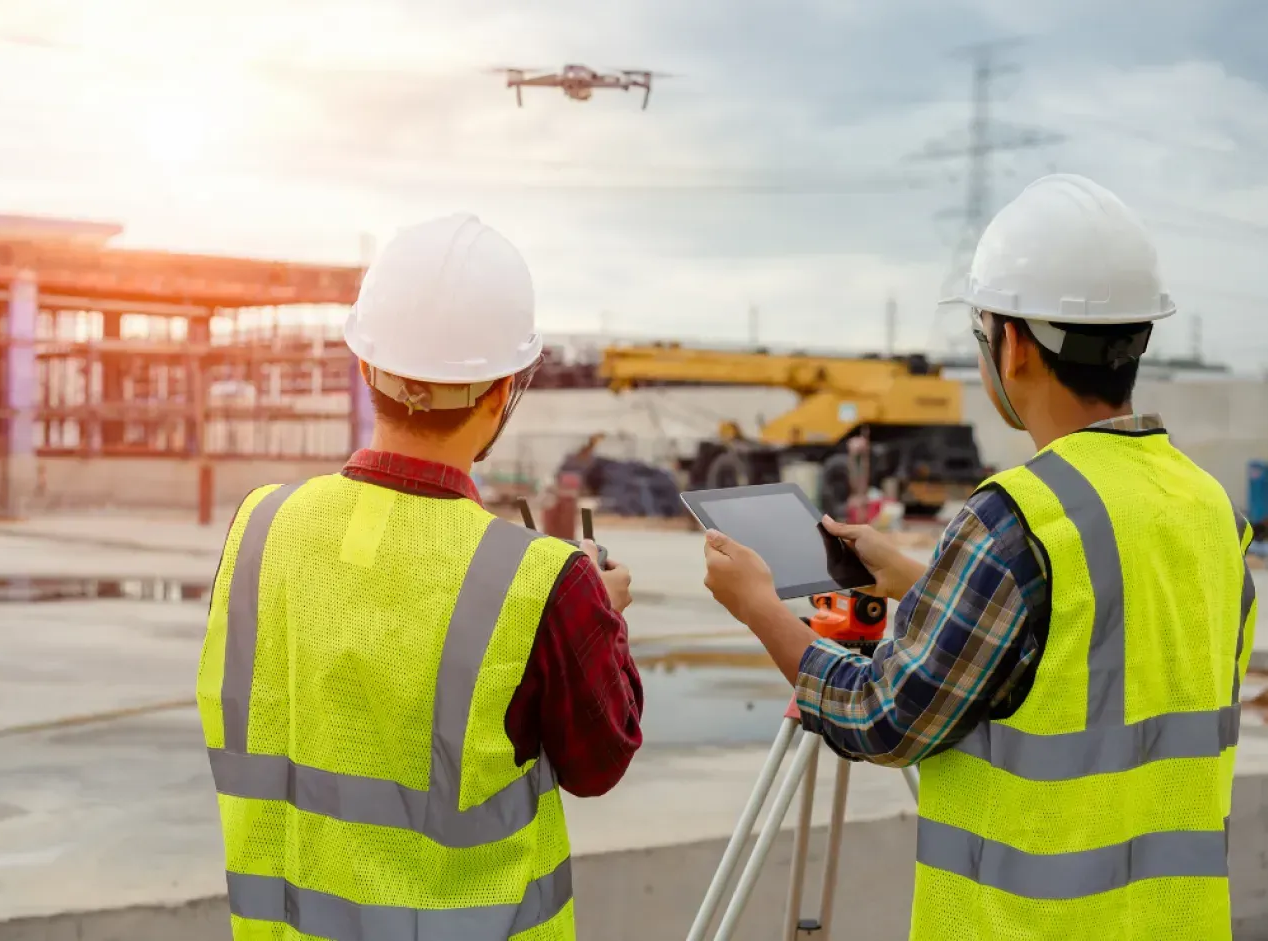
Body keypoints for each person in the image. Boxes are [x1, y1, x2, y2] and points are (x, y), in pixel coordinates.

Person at [702, 174, 1256, 940]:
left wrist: (759, 606)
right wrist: (923, 580)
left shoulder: (1014, 518)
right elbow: (1094, 656)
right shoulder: (1212, 513)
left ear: (1013, 344)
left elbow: (881, 717)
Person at [195, 213, 642, 941]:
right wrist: (602, 618)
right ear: (503, 390)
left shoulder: (261, 526)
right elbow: (597, 762)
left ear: (365, 366)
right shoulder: (543, 581)